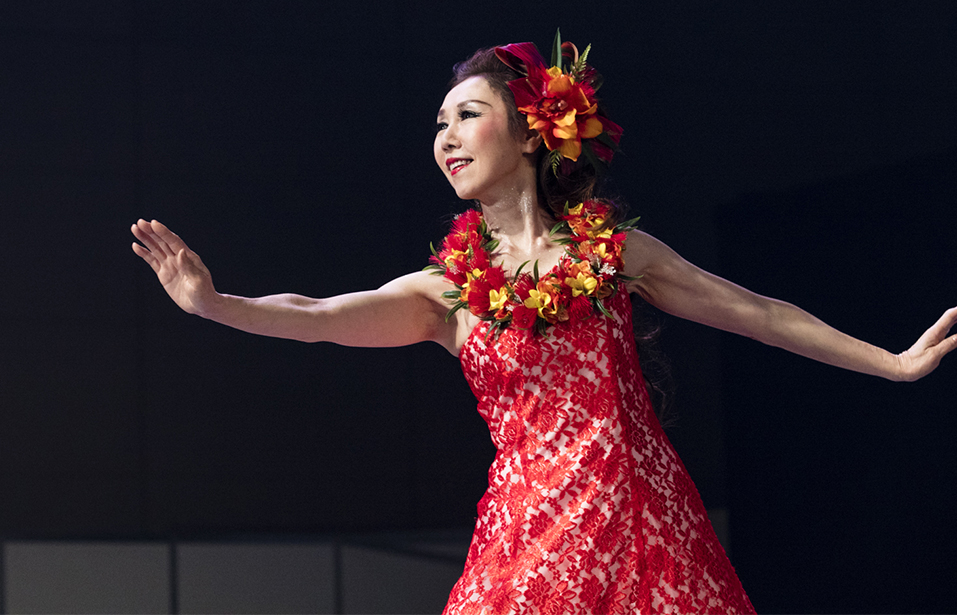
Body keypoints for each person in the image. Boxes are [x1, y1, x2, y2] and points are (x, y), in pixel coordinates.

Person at [131, 35, 956, 614]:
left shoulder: (616, 254)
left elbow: (760, 315)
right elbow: (317, 316)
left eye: (466, 115)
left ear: (530, 131)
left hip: (646, 532)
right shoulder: (448, 292)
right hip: (531, 542)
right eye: (438, 125)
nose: (445, 138)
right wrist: (216, 304)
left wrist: (888, 362)